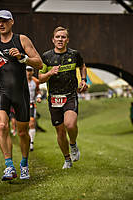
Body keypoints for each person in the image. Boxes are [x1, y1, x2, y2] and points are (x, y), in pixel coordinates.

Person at [0, 10, 43, 181]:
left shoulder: (22, 40)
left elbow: (38, 62)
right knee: (2, 126)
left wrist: (23, 57)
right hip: (1, 91)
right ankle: (9, 166)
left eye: (4, 21)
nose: (1, 24)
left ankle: (24, 164)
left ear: (12, 22)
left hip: (21, 93)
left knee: (23, 133)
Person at [39, 26, 87, 169]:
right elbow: (40, 78)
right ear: (53, 40)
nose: (60, 39)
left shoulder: (74, 54)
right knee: (60, 131)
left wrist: (83, 80)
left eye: (63, 37)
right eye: (58, 37)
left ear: (67, 40)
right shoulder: (46, 57)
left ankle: (73, 144)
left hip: (70, 95)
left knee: (70, 125)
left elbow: (82, 66)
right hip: (54, 98)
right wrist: (49, 73)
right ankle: (67, 160)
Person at [26, 66, 42, 151]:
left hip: (32, 105)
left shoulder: (35, 81)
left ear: (32, 72)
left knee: (32, 123)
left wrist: (39, 97)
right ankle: (25, 141)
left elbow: (38, 91)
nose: (28, 72)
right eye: (27, 70)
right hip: (22, 105)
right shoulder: (21, 81)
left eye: (30, 71)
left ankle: (31, 143)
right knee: (23, 125)